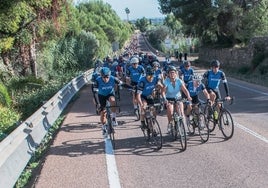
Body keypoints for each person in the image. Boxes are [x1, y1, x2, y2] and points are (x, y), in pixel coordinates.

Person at [162, 65, 192, 133]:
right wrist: (165, 99)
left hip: (178, 98)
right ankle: (170, 123)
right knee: (170, 110)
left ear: (176, 73)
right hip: (169, 99)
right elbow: (163, 92)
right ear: (168, 74)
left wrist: (188, 96)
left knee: (181, 113)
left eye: (173, 72)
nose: (172, 74)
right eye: (170, 73)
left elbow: (185, 90)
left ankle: (183, 129)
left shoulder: (179, 81)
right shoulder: (166, 81)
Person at [93, 67, 122, 135]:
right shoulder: (97, 81)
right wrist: (98, 104)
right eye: (104, 77)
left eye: (107, 77)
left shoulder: (113, 78)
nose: (106, 79)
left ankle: (114, 118)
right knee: (103, 113)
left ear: (109, 75)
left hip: (110, 94)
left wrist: (132, 88)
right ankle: (103, 126)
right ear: (101, 76)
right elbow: (95, 94)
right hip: (101, 96)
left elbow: (123, 84)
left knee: (112, 100)